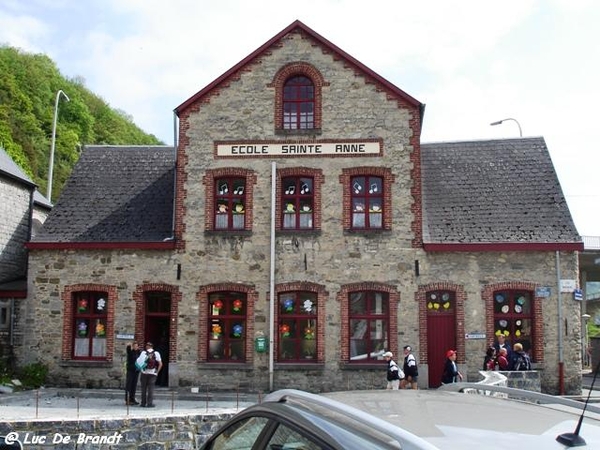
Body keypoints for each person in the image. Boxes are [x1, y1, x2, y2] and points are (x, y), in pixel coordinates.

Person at [137, 342, 163, 407]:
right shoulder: (156, 353)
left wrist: (141, 370)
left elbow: (138, 363)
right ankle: (150, 403)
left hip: (144, 373)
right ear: (152, 347)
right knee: (151, 389)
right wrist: (157, 372)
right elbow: (160, 364)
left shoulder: (143, 353)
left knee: (143, 389)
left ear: (147, 346)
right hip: (152, 373)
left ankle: (143, 403)